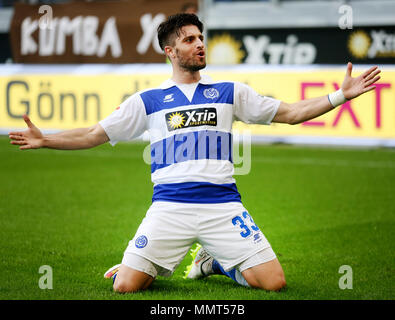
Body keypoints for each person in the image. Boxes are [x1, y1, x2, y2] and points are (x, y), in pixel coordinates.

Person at [9, 13, 381, 293]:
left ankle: (213, 261)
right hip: (169, 207)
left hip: (223, 205)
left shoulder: (230, 92)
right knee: (125, 286)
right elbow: (93, 133)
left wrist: (339, 96)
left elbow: (290, 113)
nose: (199, 44)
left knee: (274, 283)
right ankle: (140, 262)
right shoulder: (148, 100)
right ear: (170, 51)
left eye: (201, 38)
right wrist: (47, 139)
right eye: (189, 39)